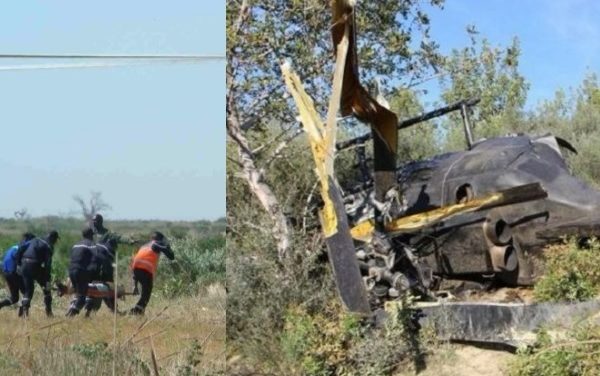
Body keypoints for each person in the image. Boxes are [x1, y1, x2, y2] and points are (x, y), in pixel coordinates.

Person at [15, 230, 59, 317]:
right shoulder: (48, 246)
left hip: (24, 265)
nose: (55, 242)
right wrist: (47, 278)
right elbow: (48, 264)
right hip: (35, 265)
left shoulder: (34, 240)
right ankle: (49, 311)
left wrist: (19, 264)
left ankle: (25, 312)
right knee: (47, 287)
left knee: (28, 290)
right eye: (56, 240)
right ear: (53, 238)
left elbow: (20, 249)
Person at [129, 231, 174, 315]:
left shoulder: (144, 246)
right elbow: (171, 256)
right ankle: (136, 311)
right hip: (145, 270)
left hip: (136, 270)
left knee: (145, 293)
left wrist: (134, 285)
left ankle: (139, 311)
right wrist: (167, 246)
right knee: (146, 294)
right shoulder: (155, 244)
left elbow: (135, 262)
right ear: (159, 239)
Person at [84, 236, 119, 316]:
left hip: (86, 267)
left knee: (92, 289)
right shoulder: (108, 249)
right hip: (96, 269)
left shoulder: (98, 245)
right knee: (106, 288)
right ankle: (114, 310)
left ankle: (88, 311)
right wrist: (111, 282)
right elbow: (108, 268)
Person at [0, 232, 35, 310]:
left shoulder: (13, 247)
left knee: (14, 298)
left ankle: (0, 305)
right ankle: (23, 312)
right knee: (27, 292)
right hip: (14, 272)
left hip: (6, 272)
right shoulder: (25, 246)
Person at [65, 228, 95, 317]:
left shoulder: (76, 245)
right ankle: (72, 313)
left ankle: (72, 306)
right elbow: (96, 259)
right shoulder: (91, 244)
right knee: (82, 294)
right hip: (81, 270)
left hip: (71, 270)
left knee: (77, 292)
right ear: (90, 235)